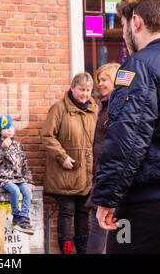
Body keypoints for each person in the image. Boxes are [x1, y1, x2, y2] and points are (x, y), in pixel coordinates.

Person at [92, 0, 160, 253]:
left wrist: (107, 198)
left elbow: (127, 139)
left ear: (136, 22)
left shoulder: (137, 66)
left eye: (124, 25)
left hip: (148, 202)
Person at [40, 73, 98, 254]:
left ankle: (82, 251)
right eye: (81, 90)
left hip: (86, 174)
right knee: (66, 214)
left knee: (83, 215)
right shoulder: (59, 109)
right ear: (73, 88)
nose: (85, 94)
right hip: (65, 174)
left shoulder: (96, 109)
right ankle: (67, 252)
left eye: (88, 90)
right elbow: (47, 136)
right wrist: (62, 156)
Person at [85, 62, 120, 254]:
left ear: (115, 80)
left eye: (104, 79)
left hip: (108, 174)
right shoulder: (104, 104)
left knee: (102, 225)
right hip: (101, 173)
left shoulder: (115, 106)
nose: (100, 84)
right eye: (99, 80)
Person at [0, 114, 35, 235]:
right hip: (3, 178)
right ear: (0, 131)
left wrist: (30, 181)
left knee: (26, 191)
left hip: (18, 178)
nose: (10, 130)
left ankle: (24, 218)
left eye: (12, 127)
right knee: (15, 190)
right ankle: (16, 217)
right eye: (6, 128)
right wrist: (3, 148)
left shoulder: (17, 145)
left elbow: (24, 164)